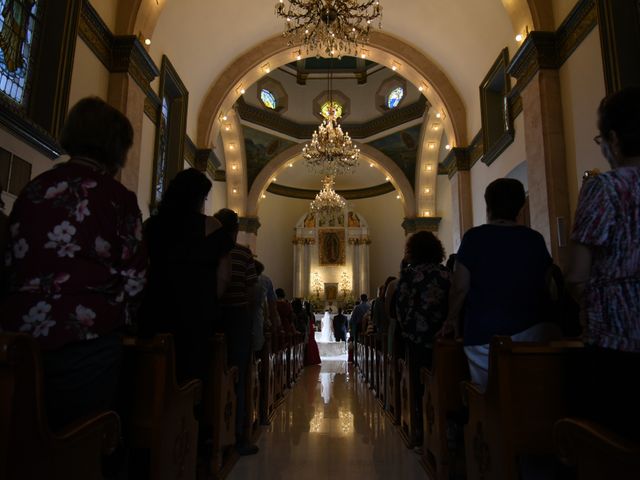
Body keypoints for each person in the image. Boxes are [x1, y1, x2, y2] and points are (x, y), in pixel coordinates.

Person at [0, 97, 147, 431]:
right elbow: (135, 278)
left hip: (18, 334)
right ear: (117, 147)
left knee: (22, 436)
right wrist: (122, 319)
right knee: (82, 438)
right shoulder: (116, 197)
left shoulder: (34, 188)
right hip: (85, 339)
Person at [565, 86, 640, 440]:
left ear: (613, 138)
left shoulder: (605, 187)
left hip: (619, 343)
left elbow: (577, 274)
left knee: (611, 446)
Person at [440, 178, 560, 392]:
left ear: (488, 205)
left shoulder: (474, 238)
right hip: (533, 332)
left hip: (484, 334)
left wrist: (450, 319)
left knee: (489, 397)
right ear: (520, 206)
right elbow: (548, 284)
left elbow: (460, 287)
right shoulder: (534, 238)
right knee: (532, 394)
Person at [141, 168, 234, 383]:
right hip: (196, 316)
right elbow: (224, 276)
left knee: (155, 379)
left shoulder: (151, 225)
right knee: (193, 378)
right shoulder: (210, 226)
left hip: (156, 310)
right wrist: (206, 302)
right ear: (199, 197)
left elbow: (142, 267)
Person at [215, 208, 260, 455]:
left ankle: (211, 433)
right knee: (239, 375)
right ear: (235, 229)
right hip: (238, 318)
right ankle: (240, 437)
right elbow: (252, 293)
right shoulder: (243, 253)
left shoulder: (206, 247)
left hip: (212, 317)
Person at [304, 301, 321, 366]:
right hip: (311, 328)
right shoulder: (312, 314)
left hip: (308, 328)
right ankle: (314, 359)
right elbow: (314, 323)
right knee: (312, 341)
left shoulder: (305, 313)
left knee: (308, 343)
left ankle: (308, 359)